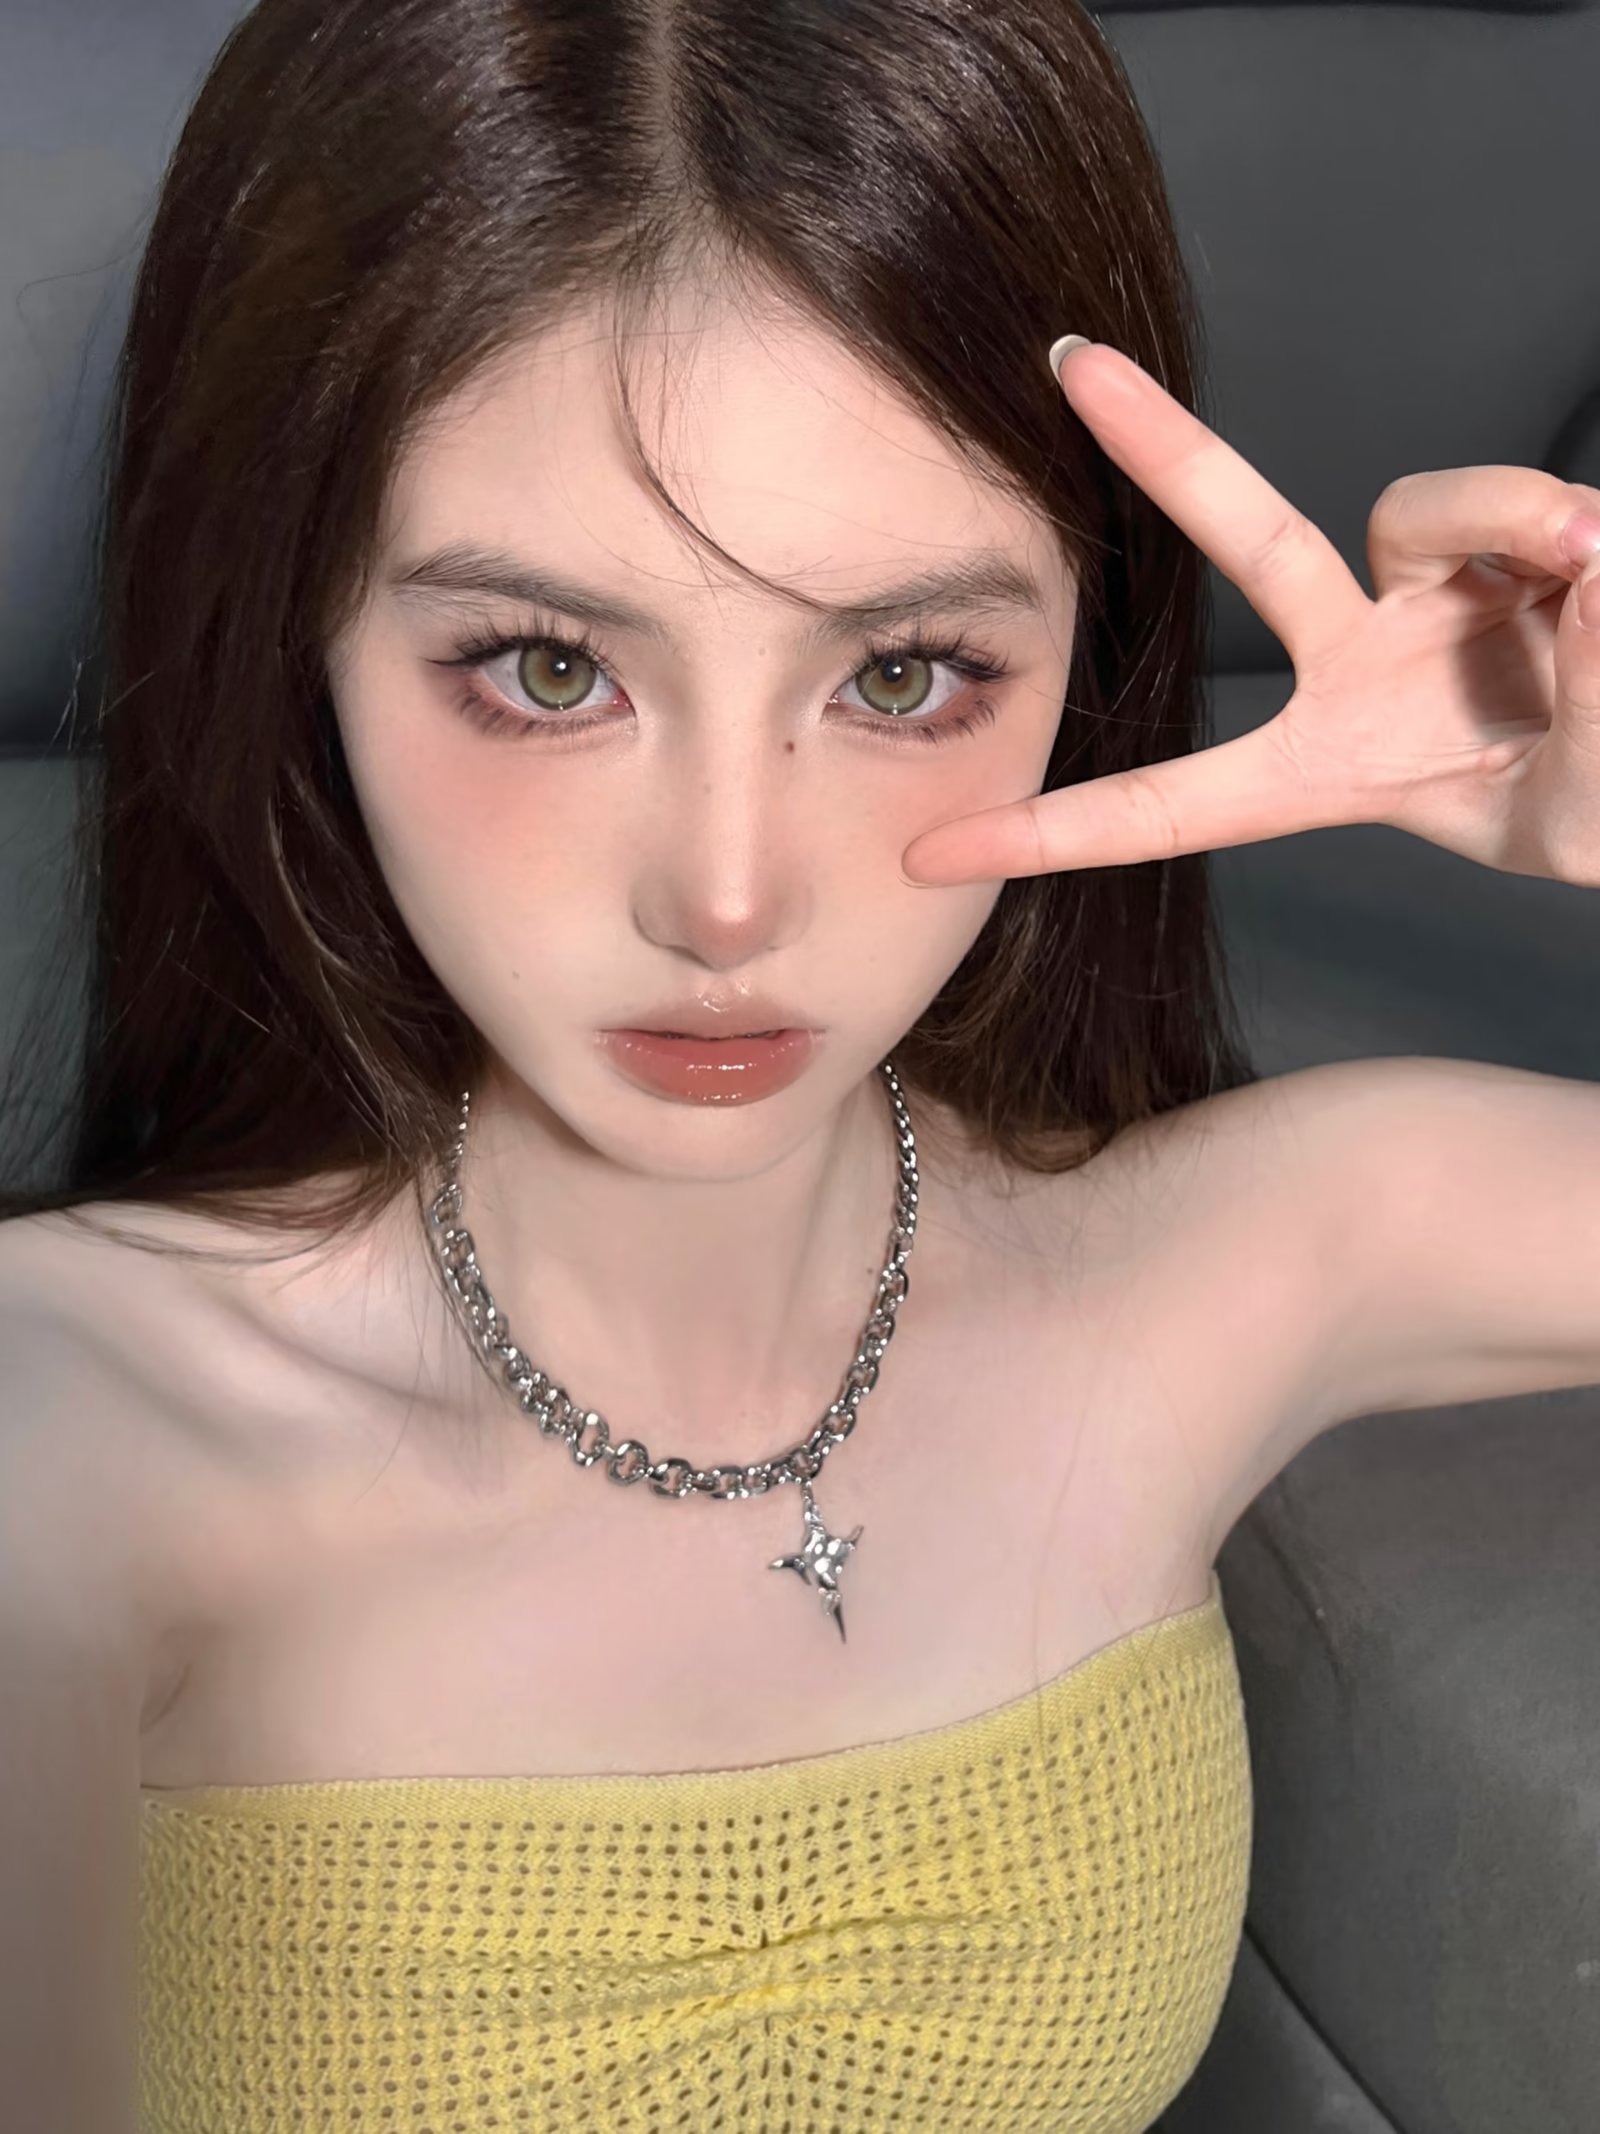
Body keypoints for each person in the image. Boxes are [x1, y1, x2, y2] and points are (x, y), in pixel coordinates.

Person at [6, 0, 1600, 2130]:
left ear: (1082, 657)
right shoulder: (73, 1441)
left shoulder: (1231, 1264)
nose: (730, 897)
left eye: (905, 673)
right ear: (300, 629)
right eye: (547, 668)